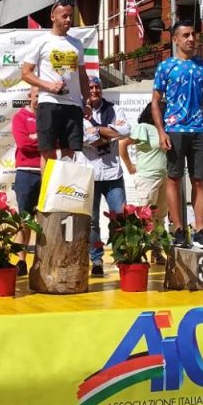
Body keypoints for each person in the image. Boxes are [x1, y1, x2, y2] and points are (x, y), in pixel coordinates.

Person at [151, 19, 203, 249]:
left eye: (193, 35)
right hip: (175, 129)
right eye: (186, 35)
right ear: (175, 39)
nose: (191, 39)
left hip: (200, 129)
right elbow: (155, 101)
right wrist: (161, 131)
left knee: (199, 180)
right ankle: (178, 228)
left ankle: (200, 229)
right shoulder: (166, 66)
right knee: (174, 178)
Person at [21, 0, 89, 173]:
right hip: (49, 102)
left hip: (73, 104)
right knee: (48, 151)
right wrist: (48, 85)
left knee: (69, 153)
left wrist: (87, 101)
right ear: (53, 17)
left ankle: (64, 189)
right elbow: (26, 73)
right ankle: (48, 190)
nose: (68, 20)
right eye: (64, 16)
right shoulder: (41, 41)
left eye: (70, 16)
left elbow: (82, 75)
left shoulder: (77, 44)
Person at [78, 77, 130, 277]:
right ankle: (96, 259)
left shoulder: (114, 109)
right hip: (89, 173)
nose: (94, 90)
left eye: (97, 87)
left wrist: (98, 129)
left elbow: (126, 130)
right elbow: (82, 138)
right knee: (92, 221)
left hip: (112, 173)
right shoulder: (79, 112)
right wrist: (110, 134)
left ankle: (120, 256)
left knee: (119, 217)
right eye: (90, 87)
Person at [120, 101, 168, 264]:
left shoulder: (166, 130)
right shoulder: (143, 127)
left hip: (165, 176)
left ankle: (156, 251)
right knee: (145, 217)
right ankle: (138, 252)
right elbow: (123, 145)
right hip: (147, 178)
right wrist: (129, 165)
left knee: (160, 218)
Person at [11, 86, 41, 277]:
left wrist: (35, 137)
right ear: (29, 96)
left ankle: (41, 261)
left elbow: (56, 142)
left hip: (47, 171)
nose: (39, 99)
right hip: (26, 172)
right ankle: (21, 261)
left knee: (45, 221)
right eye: (37, 95)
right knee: (25, 220)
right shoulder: (20, 117)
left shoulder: (49, 117)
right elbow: (23, 144)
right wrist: (43, 140)